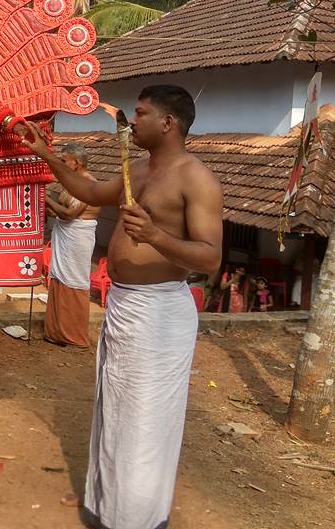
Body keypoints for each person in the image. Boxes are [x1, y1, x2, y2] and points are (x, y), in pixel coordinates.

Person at [22, 84, 223, 529]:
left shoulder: (196, 178)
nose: (133, 122)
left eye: (142, 113)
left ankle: (138, 519)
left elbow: (210, 258)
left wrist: (155, 236)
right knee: (115, 408)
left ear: (168, 123)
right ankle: (109, 509)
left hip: (159, 315)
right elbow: (91, 192)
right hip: (125, 307)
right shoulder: (139, 169)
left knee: (145, 418)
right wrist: (47, 155)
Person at [43, 143, 100, 348]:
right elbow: (60, 212)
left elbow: (69, 214)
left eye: (64, 160)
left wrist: (46, 198)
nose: (62, 163)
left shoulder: (87, 184)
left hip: (78, 238)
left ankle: (73, 334)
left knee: (73, 282)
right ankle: (56, 331)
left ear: (76, 163)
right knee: (59, 279)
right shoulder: (72, 183)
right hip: (66, 234)